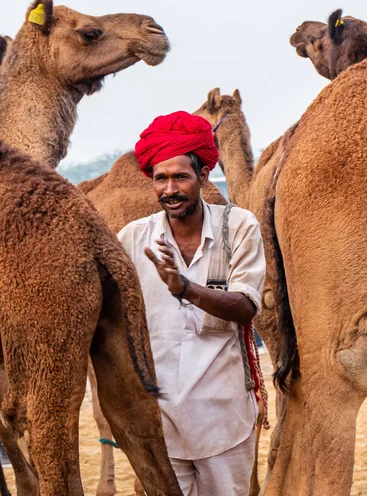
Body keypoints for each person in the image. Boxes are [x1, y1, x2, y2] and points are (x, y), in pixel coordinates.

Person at [118, 111, 266, 496]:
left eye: (180, 176)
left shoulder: (239, 226)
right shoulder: (134, 238)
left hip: (223, 418)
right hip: (161, 424)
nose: (170, 189)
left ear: (202, 177)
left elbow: (246, 307)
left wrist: (185, 288)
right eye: (161, 178)